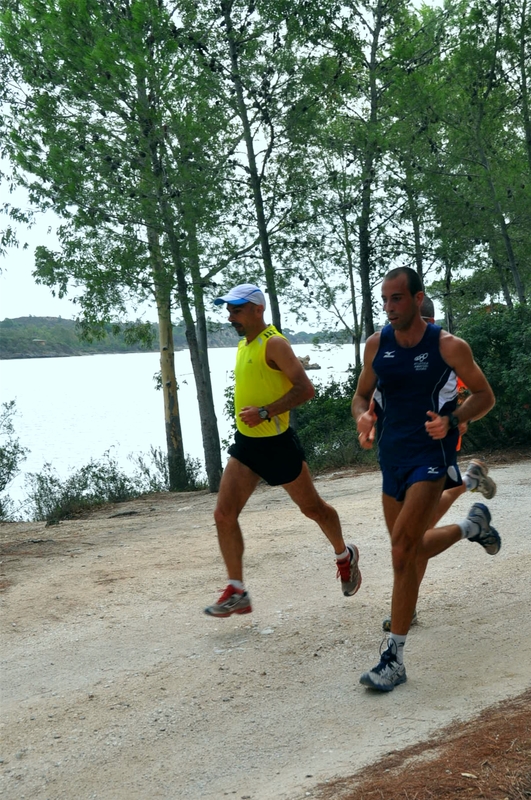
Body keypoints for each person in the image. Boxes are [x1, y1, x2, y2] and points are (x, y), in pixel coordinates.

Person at [352, 267, 500, 691]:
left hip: (430, 458)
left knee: (401, 550)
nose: (389, 307)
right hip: (391, 459)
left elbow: (484, 395)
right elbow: (362, 395)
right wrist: (363, 418)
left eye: (397, 299)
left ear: (418, 299)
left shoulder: (449, 346)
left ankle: (394, 657)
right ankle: (472, 525)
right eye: (385, 300)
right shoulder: (377, 346)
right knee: (411, 551)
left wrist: (453, 419)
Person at [204, 283, 361, 617]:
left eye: (237, 310)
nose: (231, 316)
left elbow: (306, 389)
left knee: (314, 509)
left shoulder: (274, 344)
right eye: (229, 311)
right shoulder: (244, 346)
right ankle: (237, 590)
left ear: (257, 309)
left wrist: (265, 412)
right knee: (223, 514)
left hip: (277, 444)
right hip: (247, 445)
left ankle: (344, 555)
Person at [381, 295, 497, 632]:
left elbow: (470, 392)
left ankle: (472, 522)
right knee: (415, 536)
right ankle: (472, 483)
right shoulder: (400, 346)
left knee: (414, 539)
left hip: (436, 448)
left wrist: (459, 419)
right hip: (409, 453)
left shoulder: (444, 347)